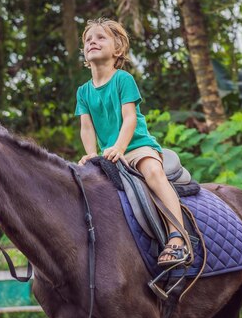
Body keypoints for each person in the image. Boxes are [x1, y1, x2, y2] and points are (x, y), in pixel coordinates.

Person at [75, 18, 188, 267]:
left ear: (117, 49)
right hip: (109, 154)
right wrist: (91, 154)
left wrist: (120, 147)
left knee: (153, 173)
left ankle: (178, 237)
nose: (92, 41)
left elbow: (129, 120)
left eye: (100, 37)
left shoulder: (123, 79)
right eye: (88, 39)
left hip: (136, 146)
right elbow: (86, 126)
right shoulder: (83, 91)